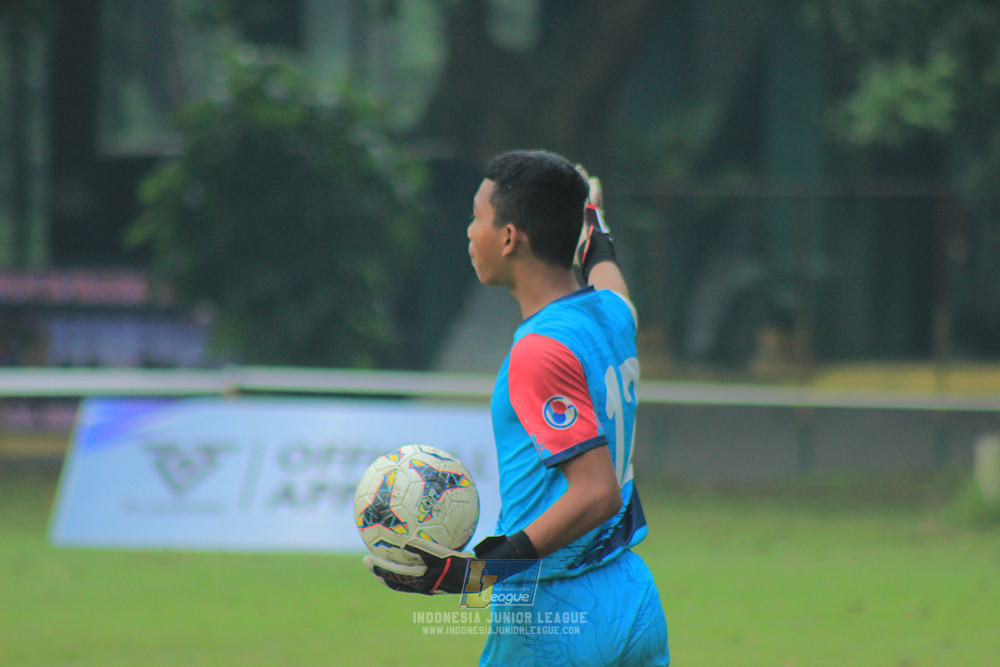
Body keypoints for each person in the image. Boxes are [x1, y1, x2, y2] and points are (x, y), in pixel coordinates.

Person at [365, 149, 669, 666]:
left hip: (556, 609)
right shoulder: (613, 313)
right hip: (631, 594)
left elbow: (596, 492)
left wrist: (479, 573)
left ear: (509, 238)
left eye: (478, 217)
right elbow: (604, 266)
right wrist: (591, 219)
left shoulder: (539, 350)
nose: (469, 231)